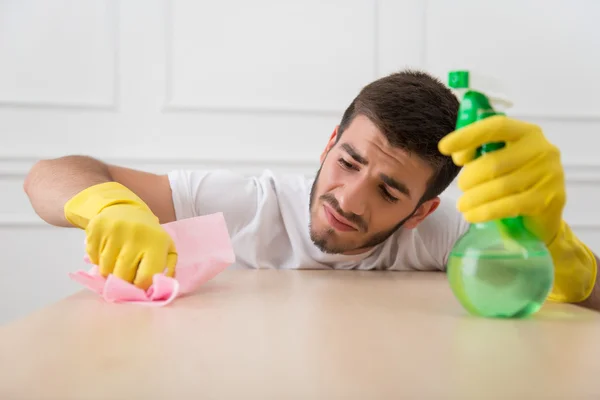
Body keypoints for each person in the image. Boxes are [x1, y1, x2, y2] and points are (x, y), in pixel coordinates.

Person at [23, 70, 599, 310]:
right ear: (329, 143)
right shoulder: (249, 203)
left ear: (424, 210)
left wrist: (555, 247)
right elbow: (49, 173)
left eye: (389, 192)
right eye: (348, 161)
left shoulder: (448, 235)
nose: (349, 199)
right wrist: (108, 204)